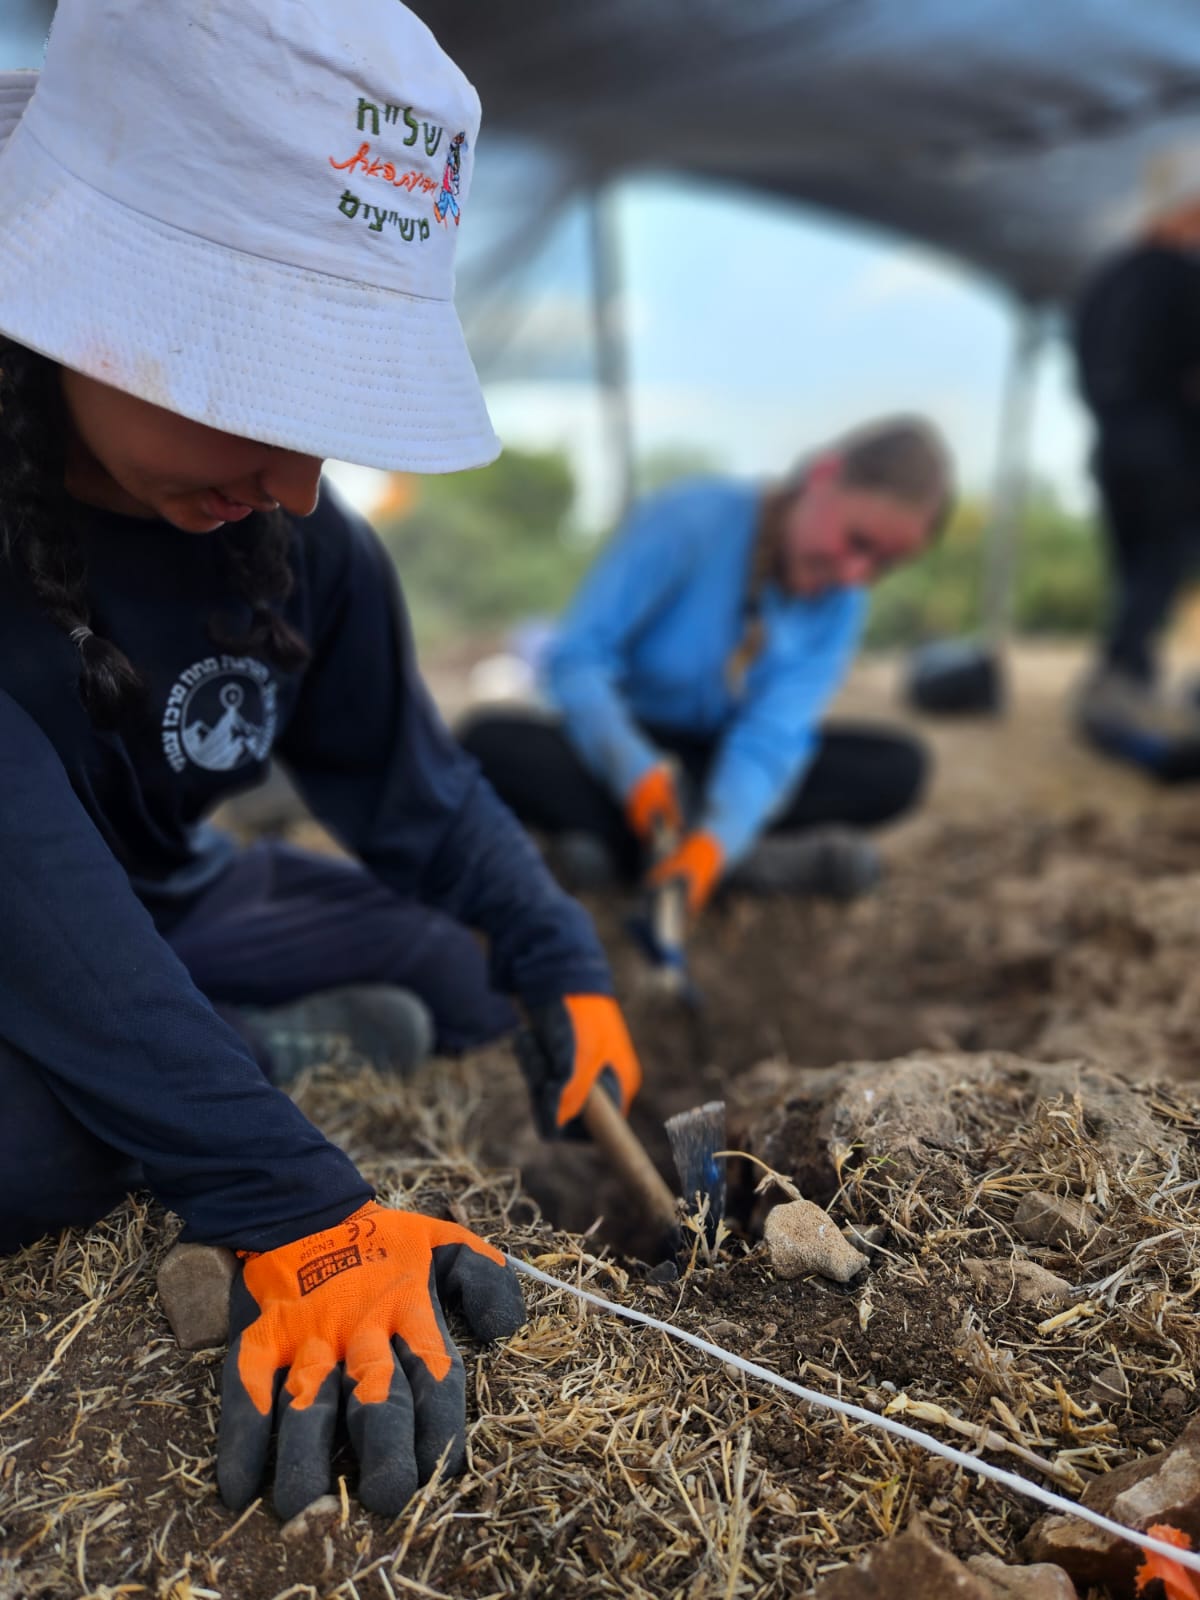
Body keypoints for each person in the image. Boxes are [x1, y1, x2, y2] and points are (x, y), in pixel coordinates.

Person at [0, 0, 644, 1523]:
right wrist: (293, 1202)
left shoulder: (297, 539)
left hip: (163, 897)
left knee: (468, 976)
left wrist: (563, 955)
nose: (298, 479)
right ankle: (218, 1059)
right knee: (34, 1155)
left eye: (328, 412)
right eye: (255, 386)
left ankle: (188, 1034)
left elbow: (414, 790)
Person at [460, 418, 953, 918]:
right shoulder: (689, 521)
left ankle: (649, 856)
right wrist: (633, 770)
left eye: (883, 565)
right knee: (488, 742)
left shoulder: (844, 604)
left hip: (723, 763)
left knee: (898, 766)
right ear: (824, 474)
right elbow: (576, 660)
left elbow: (772, 737)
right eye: (858, 541)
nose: (855, 574)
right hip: (624, 751)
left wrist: (713, 843)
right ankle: (756, 864)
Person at [1071, 170, 1200, 778]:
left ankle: (1131, 682)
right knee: (1164, 562)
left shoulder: (1102, 278)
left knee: (1131, 569)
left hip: (1109, 446)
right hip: (1166, 449)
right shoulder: (1181, 276)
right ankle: (1117, 679)